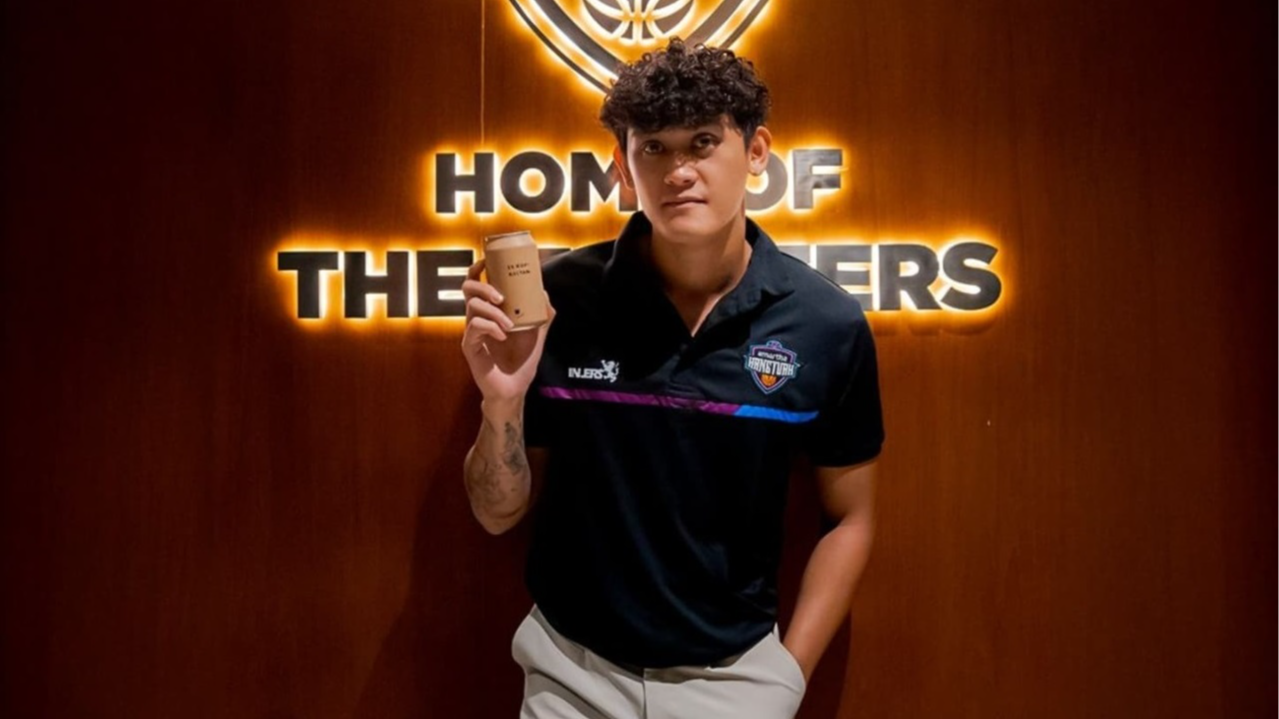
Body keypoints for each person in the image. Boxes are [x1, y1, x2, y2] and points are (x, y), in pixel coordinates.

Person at [460, 39, 883, 719]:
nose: (679, 170)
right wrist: (501, 403)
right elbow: (495, 513)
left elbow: (851, 517)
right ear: (623, 169)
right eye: (654, 147)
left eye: (703, 142)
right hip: (571, 671)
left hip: (736, 678)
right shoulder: (558, 302)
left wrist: (787, 674)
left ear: (755, 152)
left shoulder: (824, 323)